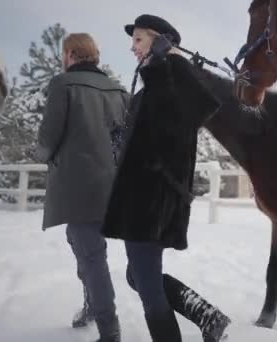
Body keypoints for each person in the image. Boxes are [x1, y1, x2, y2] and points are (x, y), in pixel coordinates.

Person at [101, 14, 231, 342]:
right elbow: (150, 135)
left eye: (139, 40)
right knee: (138, 275)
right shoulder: (155, 82)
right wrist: (120, 138)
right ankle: (207, 315)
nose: (132, 48)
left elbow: (183, 121)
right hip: (141, 197)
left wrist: (161, 63)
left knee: (146, 284)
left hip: (150, 200)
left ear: (160, 41)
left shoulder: (176, 75)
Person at [37, 33, 130, 342]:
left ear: (71, 54)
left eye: (64, 53)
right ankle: (92, 305)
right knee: (82, 246)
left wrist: (42, 155)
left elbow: (49, 136)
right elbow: (124, 138)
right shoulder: (117, 89)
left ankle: (108, 328)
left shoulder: (63, 84)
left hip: (79, 187)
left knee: (91, 256)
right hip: (113, 186)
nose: (62, 59)